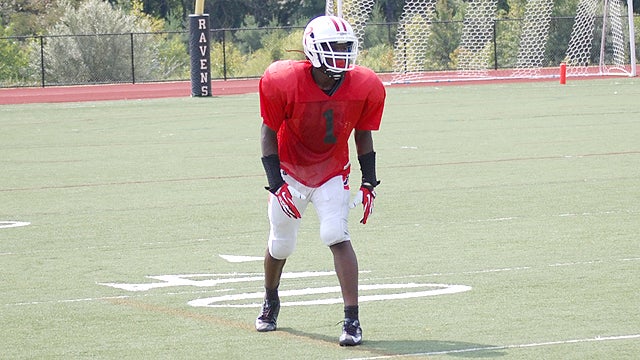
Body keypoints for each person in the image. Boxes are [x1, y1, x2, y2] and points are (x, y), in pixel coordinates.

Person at [255, 15, 386, 346]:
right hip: (289, 168)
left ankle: (352, 320)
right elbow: (267, 131)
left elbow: (363, 134)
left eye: (346, 47)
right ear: (313, 50)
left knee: (335, 233)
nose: (341, 53)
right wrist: (276, 183)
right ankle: (271, 299)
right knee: (281, 243)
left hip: (331, 168)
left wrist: (369, 181)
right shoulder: (283, 80)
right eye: (334, 47)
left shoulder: (364, 84)